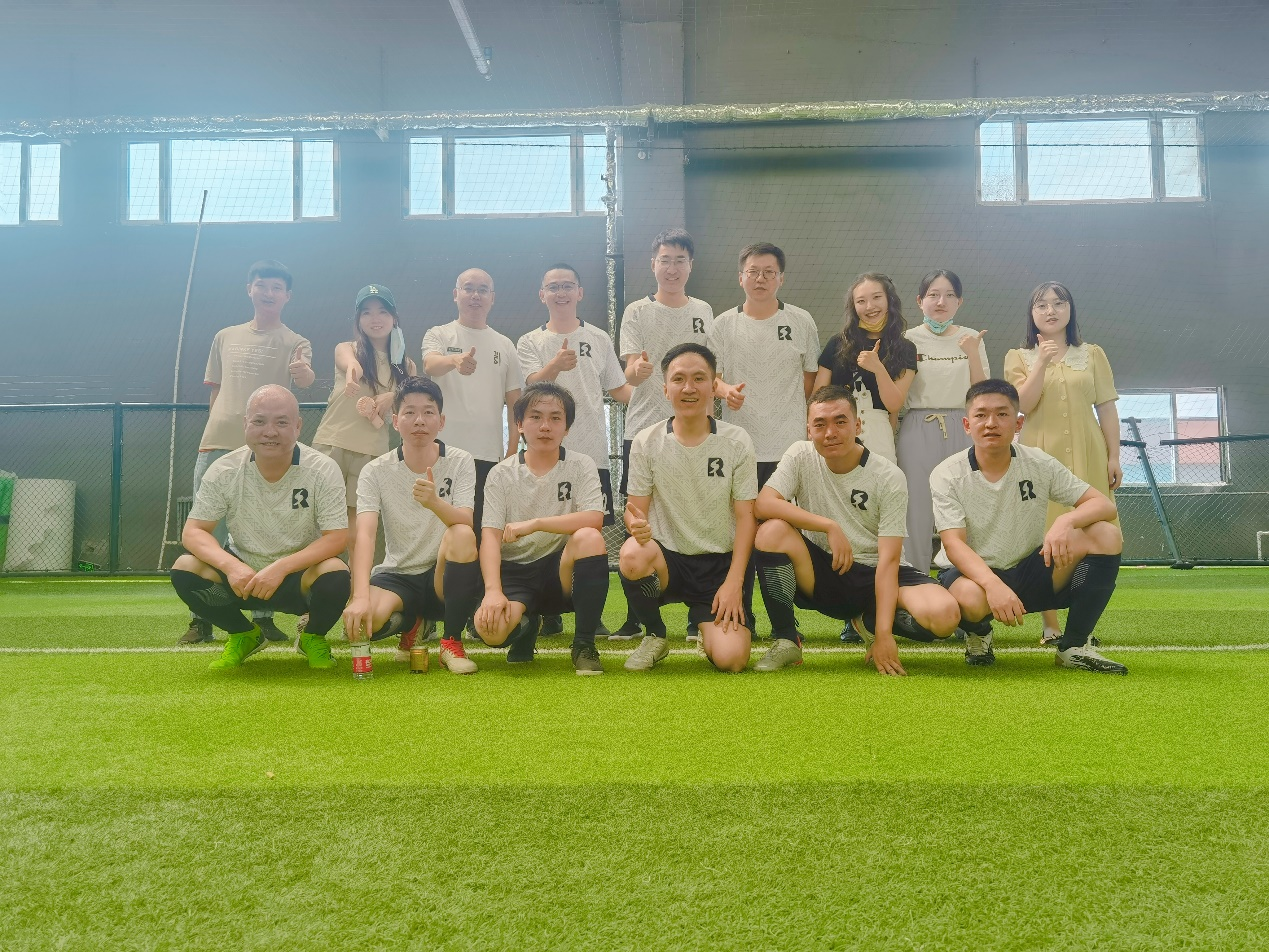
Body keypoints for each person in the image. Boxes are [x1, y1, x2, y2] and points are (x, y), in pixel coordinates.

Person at [752, 386, 962, 673]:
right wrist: (828, 526)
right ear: (809, 430)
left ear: (858, 425)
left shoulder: (887, 476)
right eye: (820, 424)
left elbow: (889, 560)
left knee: (944, 616)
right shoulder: (800, 454)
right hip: (824, 572)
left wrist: (884, 635)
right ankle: (787, 639)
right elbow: (764, 504)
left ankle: (870, 623)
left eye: (840, 422)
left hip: (876, 573)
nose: (830, 432)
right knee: (771, 531)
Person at [932, 379, 1127, 674]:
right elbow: (953, 544)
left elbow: (1104, 505)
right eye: (981, 415)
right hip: (973, 576)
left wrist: (1065, 520)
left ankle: (1073, 646)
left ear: (1018, 423)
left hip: (1028, 567)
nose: (991, 423)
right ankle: (978, 632)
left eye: (1002, 414)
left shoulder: (1038, 462)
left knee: (1106, 534)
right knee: (970, 599)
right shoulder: (947, 474)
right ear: (967, 425)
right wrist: (992, 585)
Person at [179, 260, 314, 647]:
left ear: (287, 296)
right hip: (217, 443)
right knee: (208, 531)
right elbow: (216, 390)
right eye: (261, 285)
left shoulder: (296, 341)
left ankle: (263, 618)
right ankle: (202, 618)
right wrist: (214, 430)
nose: (268, 292)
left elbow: (305, 379)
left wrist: (302, 372)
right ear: (249, 289)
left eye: (276, 287)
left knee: (266, 531)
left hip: (265, 450)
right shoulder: (224, 336)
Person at [169, 386, 349, 671]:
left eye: (281, 422)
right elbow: (193, 531)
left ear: (298, 426)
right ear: (246, 424)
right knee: (185, 568)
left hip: (298, 577)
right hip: (243, 577)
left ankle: (312, 636)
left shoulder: (322, 469)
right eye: (259, 421)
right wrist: (232, 567)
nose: (270, 432)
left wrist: (281, 568)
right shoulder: (224, 469)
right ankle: (244, 634)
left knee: (336, 574)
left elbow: (337, 538)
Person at [619, 343, 758, 673]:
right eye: (679, 379)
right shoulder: (646, 441)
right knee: (632, 554)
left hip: (718, 566)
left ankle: (705, 626)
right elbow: (634, 510)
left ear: (713, 387)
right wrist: (635, 525)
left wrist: (734, 582)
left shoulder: (737, 440)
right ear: (666, 389)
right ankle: (655, 634)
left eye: (699, 378)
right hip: (669, 560)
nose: (689, 388)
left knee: (732, 659)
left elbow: (746, 518)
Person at [516, 264, 631, 639]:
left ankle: (589, 615)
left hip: (592, 457)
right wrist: (555, 364)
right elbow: (530, 389)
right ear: (542, 295)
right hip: (544, 458)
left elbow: (620, 390)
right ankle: (548, 612)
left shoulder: (598, 337)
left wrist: (655, 394)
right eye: (553, 287)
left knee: (587, 535)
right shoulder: (529, 341)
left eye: (568, 286)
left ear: (580, 292)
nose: (561, 292)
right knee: (545, 533)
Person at [1004, 282, 1121, 647]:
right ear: (1031, 313)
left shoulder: (1093, 354)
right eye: (1041, 305)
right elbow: (1023, 405)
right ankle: (1050, 624)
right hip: (1040, 454)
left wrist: (1114, 455)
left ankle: (1082, 625)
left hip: (1089, 453)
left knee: (1095, 528)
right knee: (1045, 531)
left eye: (1059, 303)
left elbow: (1106, 407)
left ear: (1070, 310)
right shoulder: (1018, 357)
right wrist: (1041, 360)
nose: (1051, 310)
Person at [341, 377, 483, 675]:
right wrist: (360, 596)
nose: (419, 420)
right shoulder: (374, 471)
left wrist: (434, 503)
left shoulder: (460, 461)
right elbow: (365, 535)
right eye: (410, 412)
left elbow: (466, 520)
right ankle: (412, 623)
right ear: (395, 421)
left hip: (442, 574)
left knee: (461, 535)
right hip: (398, 574)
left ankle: (451, 643)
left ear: (441, 421)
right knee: (362, 624)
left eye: (428, 412)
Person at [614, 229, 715, 643]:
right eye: (665, 260)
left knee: (697, 510)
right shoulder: (637, 311)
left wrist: (717, 404)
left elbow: (710, 370)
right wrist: (636, 372)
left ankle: (698, 613)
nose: (672, 268)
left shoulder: (704, 310)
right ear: (653, 264)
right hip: (643, 431)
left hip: (696, 431)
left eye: (680, 260)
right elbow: (630, 370)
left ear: (690, 266)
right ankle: (637, 617)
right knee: (637, 518)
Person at [473, 383, 611, 675]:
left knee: (589, 538)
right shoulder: (501, 473)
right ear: (520, 425)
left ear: (567, 428)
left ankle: (584, 645)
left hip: (557, 572)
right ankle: (527, 626)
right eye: (535, 417)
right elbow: (490, 537)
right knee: (492, 632)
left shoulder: (581, 465)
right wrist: (493, 591)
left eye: (555, 418)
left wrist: (535, 524)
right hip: (515, 572)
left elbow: (594, 518)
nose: (545, 426)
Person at [814, 271, 917, 642]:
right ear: (852, 306)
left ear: (889, 300)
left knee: (878, 515)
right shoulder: (837, 343)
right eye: (861, 300)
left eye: (876, 298)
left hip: (876, 428)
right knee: (842, 513)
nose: (869, 306)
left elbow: (894, 402)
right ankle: (849, 610)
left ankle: (879, 605)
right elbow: (818, 393)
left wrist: (876, 368)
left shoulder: (903, 348)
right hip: (837, 428)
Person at [311, 285, 417, 568]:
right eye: (367, 312)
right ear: (358, 319)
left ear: (394, 318)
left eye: (382, 311)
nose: (375, 318)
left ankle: (356, 587)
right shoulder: (347, 349)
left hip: (371, 452)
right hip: (332, 444)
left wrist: (393, 395)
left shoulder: (406, 366)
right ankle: (318, 588)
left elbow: (409, 402)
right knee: (320, 524)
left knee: (358, 528)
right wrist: (352, 371)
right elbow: (349, 364)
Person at [897, 270, 989, 573]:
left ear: (959, 302)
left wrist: (972, 353)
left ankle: (965, 578)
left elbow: (982, 393)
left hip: (963, 425)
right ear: (920, 301)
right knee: (916, 507)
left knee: (966, 504)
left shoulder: (971, 337)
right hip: (917, 425)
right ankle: (915, 577)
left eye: (949, 295)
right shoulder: (907, 339)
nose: (941, 302)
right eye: (933, 295)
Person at [422, 268, 524, 536]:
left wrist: (512, 451)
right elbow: (430, 364)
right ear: (456, 294)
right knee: (439, 531)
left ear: (493, 298)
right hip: (442, 453)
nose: (475, 295)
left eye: (482, 290)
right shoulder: (439, 334)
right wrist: (454, 360)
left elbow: (515, 402)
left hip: (489, 455)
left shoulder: (505, 345)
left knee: (481, 531)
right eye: (468, 288)